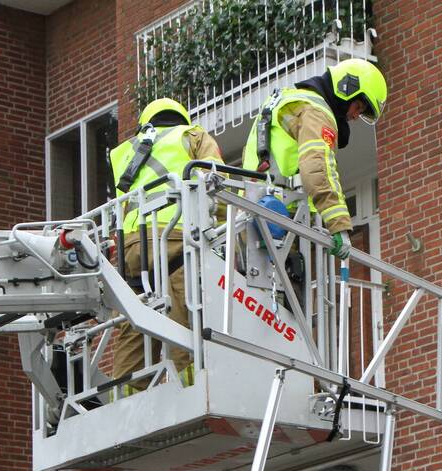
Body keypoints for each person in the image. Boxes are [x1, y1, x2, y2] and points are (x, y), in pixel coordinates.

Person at [109, 97, 224, 388]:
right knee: (181, 326)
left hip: (131, 250)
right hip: (173, 240)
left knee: (133, 332)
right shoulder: (192, 135)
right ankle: (187, 392)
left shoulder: (125, 152)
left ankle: (123, 404)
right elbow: (217, 184)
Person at [242, 58, 387, 259]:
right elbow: (318, 168)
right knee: (285, 288)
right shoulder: (316, 112)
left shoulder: (291, 100)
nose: (354, 116)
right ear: (347, 89)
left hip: (254, 214)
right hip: (279, 219)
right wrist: (339, 226)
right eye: (358, 107)